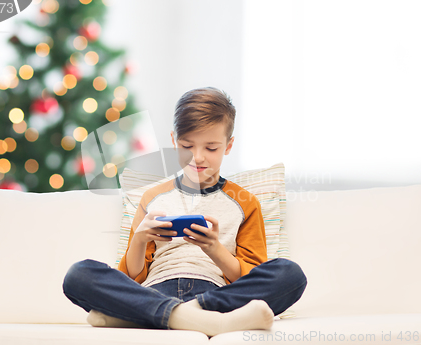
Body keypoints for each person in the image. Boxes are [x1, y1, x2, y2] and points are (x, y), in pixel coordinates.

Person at [62, 87, 307, 337]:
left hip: (215, 297)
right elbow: (133, 278)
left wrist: (214, 249)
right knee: (79, 275)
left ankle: (161, 315)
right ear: (173, 141)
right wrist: (139, 238)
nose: (197, 157)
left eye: (211, 148)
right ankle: (204, 321)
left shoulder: (246, 202)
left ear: (228, 146)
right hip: (154, 290)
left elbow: (249, 276)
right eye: (187, 145)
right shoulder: (151, 198)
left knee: (290, 275)